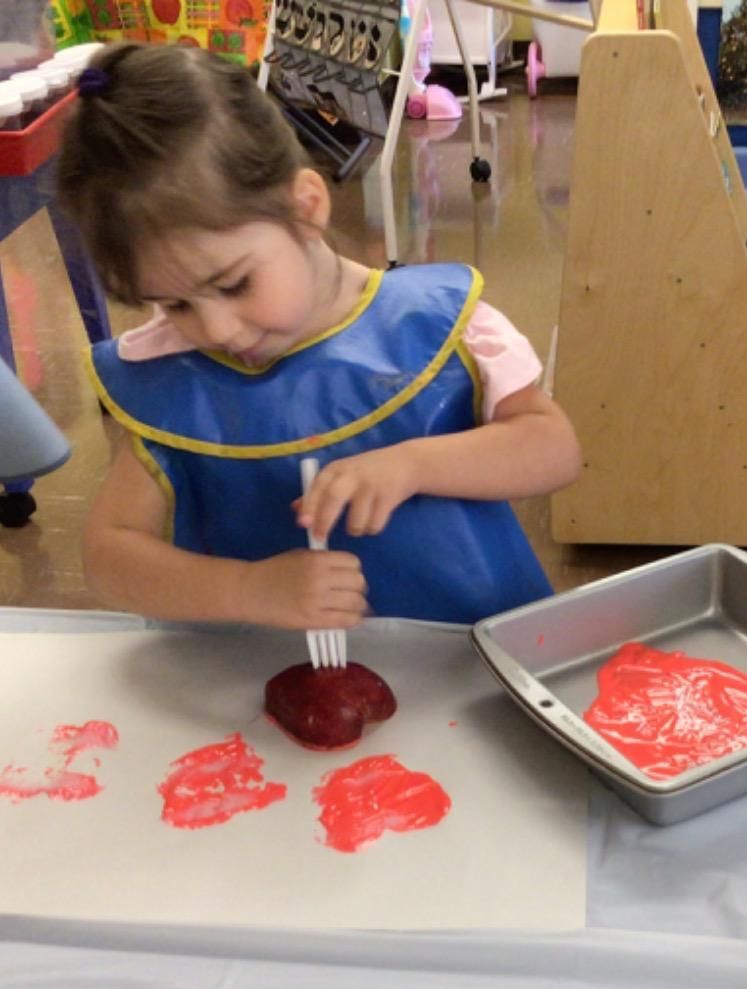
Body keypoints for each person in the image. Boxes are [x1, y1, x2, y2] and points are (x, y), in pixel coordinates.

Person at [58, 44, 580, 629]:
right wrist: (246, 589)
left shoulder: (442, 327)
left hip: (468, 661)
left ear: (305, 208)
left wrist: (415, 465)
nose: (216, 329)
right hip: (261, 682)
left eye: (233, 284)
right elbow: (108, 556)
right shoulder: (175, 375)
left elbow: (554, 450)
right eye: (174, 303)